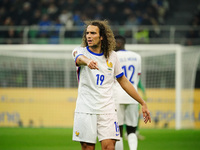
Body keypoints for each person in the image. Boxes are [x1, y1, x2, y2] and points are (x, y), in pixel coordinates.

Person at [72, 20, 151, 150]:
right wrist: (88, 61)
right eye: (87, 33)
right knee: (88, 148)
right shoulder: (80, 51)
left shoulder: (113, 56)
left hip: (107, 109)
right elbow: (79, 58)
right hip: (85, 109)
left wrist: (142, 103)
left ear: (101, 36)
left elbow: (124, 81)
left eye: (93, 33)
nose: (89, 36)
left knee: (109, 147)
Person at [114, 35, 144, 150]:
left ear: (118, 43)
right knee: (132, 129)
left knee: (118, 131)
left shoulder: (113, 56)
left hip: (117, 95)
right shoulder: (137, 56)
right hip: (133, 96)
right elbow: (138, 76)